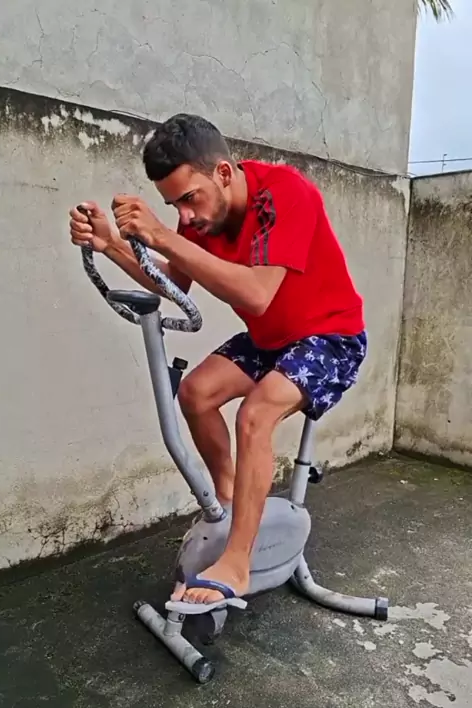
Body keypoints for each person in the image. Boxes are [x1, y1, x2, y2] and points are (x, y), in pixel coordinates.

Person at [69, 113, 367, 608]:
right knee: (196, 393)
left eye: (190, 199)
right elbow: (173, 281)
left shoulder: (284, 194)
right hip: (272, 339)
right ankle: (231, 506)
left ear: (224, 173)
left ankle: (238, 562)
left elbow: (255, 295)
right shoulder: (203, 217)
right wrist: (111, 245)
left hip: (332, 336)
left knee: (256, 415)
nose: (185, 216)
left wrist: (162, 235)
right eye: (174, 206)